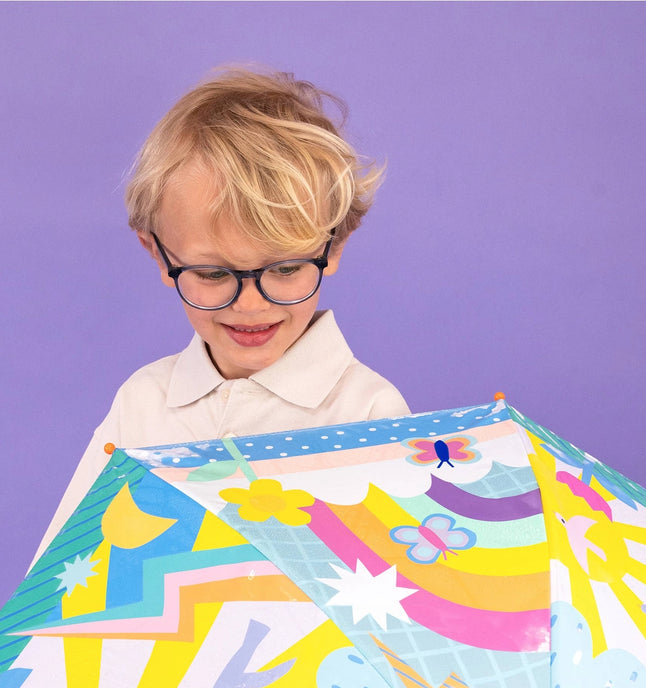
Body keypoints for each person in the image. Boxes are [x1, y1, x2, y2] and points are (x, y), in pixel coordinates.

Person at [34, 67, 409, 561]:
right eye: (212, 274)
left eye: (285, 268)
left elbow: (401, 576)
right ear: (158, 254)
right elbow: (62, 570)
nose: (250, 305)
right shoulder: (142, 405)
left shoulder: (369, 414)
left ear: (334, 246)